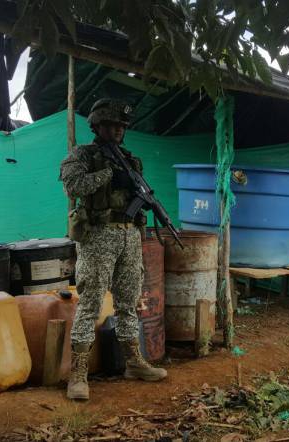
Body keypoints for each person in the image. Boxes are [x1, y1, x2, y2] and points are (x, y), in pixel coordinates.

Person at [59, 98, 167, 401]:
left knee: (128, 301)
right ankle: (78, 374)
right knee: (90, 301)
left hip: (130, 235)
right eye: (111, 125)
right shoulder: (82, 155)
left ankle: (133, 362)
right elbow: (73, 187)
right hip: (98, 237)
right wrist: (108, 174)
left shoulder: (132, 160)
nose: (118, 131)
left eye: (121, 126)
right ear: (97, 126)